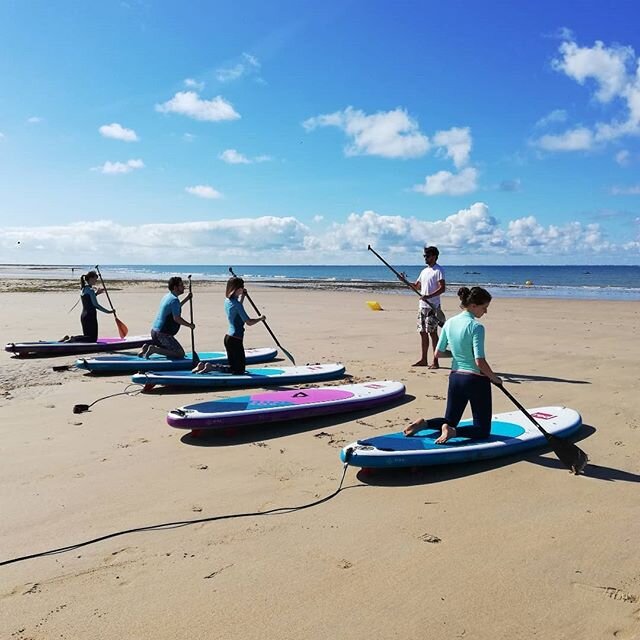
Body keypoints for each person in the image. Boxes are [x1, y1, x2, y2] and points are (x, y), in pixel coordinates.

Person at [404, 286, 503, 444]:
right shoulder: (476, 327)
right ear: (473, 306)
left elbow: (438, 353)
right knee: (482, 430)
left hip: (456, 377)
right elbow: (479, 361)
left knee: (449, 419)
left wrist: (457, 354)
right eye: (484, 308)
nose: (485, 312)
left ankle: (425, 424)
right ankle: (453, 432)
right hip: (475, 380)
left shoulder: (449, 323)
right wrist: (494, 378)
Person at [193, 276, 265, 374]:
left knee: (234, 368)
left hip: (228, 338)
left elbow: (237, 309)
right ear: (237, 289)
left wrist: (243, 297)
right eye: (242, 287)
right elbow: (249, 322)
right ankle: (211, 367)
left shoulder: (227, 301)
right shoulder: (237, 304)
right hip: (236, 339)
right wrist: (261, 318)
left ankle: (206, 366)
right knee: (239, 370)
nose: (243, 289)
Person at [139, 276, 194, 359]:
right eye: (181, 285)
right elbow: (177, 318)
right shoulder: (174, 300)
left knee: (170, 348)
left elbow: (175, 308)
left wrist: (186, 299)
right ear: (175, 287)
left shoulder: (168, 296)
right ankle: (154, 349)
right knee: (180, 354)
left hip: (154, 332)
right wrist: (190, 325)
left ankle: (146, 347)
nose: (184, 287)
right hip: (163, 335)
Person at [413, 245, 446, 369]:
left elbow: (442, 288)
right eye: (424, 256)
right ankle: (423, 359)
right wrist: (403, 280)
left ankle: (436, 361)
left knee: (432, 333)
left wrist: (428, 296)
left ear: (434, 257)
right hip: (422, 306)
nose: (425, 258)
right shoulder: (424, 271)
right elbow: (416, 286)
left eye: (427, 256)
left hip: (433, 306)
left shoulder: (439, 270)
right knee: (422, 332)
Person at [60, 270, 114, 343]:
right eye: (95, 279)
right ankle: (73, 339)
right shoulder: (91, 290)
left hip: (84, 316)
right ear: (91, 279)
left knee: (87, 338)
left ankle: (68, 338)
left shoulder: (83, 289)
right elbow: (96, 305)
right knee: (92, 339)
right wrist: (108, 311)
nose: (96, 281)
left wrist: (96, 294)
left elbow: (88, 300)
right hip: (90, 316)